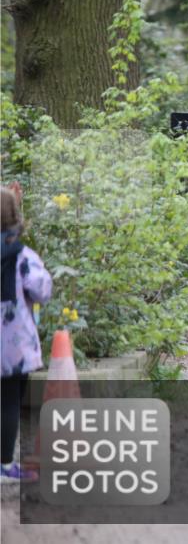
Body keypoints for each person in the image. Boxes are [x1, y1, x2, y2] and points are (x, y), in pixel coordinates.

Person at [1, 184, 52, 482]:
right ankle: (4, 465)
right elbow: (40, 289)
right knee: (8, 402)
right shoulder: (21, 255)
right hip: (13, 345)